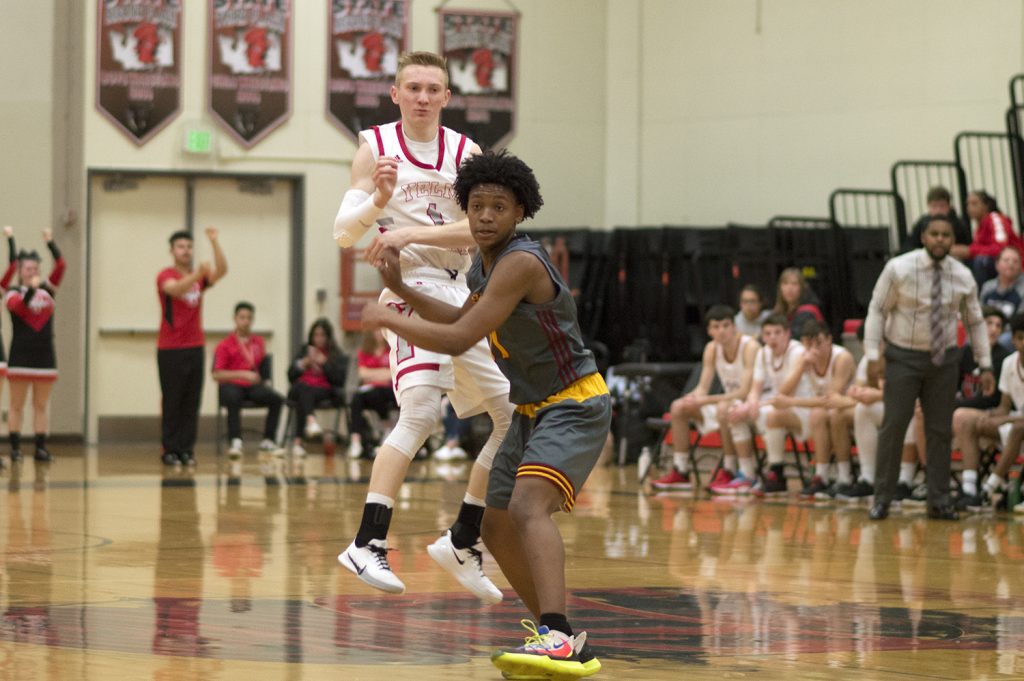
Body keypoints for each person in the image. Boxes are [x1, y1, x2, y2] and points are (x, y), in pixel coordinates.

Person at [361, 149, 605, 680]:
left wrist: (386, 316)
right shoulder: (487, 264)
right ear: (465, 211)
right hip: (532, 410)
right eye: (476, 207)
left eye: (498, 207)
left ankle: (560, 635)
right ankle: (553, 634)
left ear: (521, 211)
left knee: (525, 508)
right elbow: (459, 316)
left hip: (574, 404)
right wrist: (401, 290)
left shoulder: (520, 261)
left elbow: (458, 338)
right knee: (493, 524)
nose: (486, 216)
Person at [333, 51, 511, 604]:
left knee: (512, 414)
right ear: (395, 93)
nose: (423, 97)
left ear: (448, 97)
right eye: (413, 87)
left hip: (459, 290)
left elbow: (481, 229)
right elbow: (343, 232)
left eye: (434, 88)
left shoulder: (466, 152)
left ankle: (462, 538)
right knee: (422, 411)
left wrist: (409, 233)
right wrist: (379, 205)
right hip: (409, 288)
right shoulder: (376, 146)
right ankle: (366, 541)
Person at [864, 217, 994, 521]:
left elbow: (975, 322)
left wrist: (984, 363)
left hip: (944, 360)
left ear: (952, 240)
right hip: (902, 357)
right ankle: (882, 497)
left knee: (938, 431)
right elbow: (877, 309)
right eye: (934, 234)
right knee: (894, 426)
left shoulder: (963, 275)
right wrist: (872, 353)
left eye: (945, 235)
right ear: (923, 236)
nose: (939, 239)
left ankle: (938, 500)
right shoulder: (898, 268)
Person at [652, 305, 759, 494]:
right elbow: (702, 388)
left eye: (726, 326)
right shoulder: (711, 348)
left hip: (751, 403)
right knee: (678, 407)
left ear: (734, 327)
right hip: (726, 402)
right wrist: (691, 397)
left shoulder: (750, 346)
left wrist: (705, 400)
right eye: (716, 327)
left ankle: (729, 469)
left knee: (723, 408)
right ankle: (681, 470)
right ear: (709, 331)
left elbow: (744, 392)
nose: (722, 331)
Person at [157, 227, 228, 467]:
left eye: (189, 246)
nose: (185, 251)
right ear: (172, 251)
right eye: (181, 247)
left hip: (195, 346)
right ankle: (170, 449)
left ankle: (186, 450)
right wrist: (198, 273)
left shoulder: (197, 278)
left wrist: (215, 242)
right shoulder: (166, 275)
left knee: (191, 400)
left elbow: (222, 271)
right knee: (172, 400)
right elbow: (174, 290)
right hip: (170, 349)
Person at [770, 320, 855, 498]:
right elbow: (783, 393)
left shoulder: (842, 358)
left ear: (829, 340)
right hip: (823, 411)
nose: (814, 349)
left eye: (819, 343)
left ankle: (845, 476)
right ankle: (821, 476)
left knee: (826, 413)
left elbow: (831, 399)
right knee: (813, 415)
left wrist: (792, 402)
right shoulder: (805, 359)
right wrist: (801, 367)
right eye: (808, 345)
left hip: (850, 408)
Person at [4, 228, 64, 463]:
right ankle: (16, 449)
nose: (33, 273)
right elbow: (20, 308)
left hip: (45, 356)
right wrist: (30, 288)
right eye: (28, 269)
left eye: (36, 269)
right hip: (21, 356)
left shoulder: (47, 291)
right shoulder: (12, 293)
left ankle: (40, 448)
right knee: (16, 405)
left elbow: (60, 266)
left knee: (40, 405)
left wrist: (50, 242)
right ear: (19, 271)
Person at [728, 313, 804, 495]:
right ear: (762, 336)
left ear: (787, 333)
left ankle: (775, 471)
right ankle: (747, 472)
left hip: (800, 404)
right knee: (735, 411)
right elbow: (755, 387)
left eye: (777, 333)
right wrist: (751, 402)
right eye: (768, 334)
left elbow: (786, 394)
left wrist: (754, 406)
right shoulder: (763, 352)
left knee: (766, 414)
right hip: (778, 403)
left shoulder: (798, 352)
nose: (772, 338)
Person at [211, 302, 284, 459]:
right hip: (232, 385)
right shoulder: (224, 345)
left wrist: (265, 382)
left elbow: (262, 368)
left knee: (276, 399)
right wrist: (242, 375)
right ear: (235, 319)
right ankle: (235, 440)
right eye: (242, 317)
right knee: (233, 397)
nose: (246, 321)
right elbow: (217, 374)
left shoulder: (258, 342)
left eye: (249, 318)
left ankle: (268, 440)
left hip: (252, 386)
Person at [975, 314, 1024, 511]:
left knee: (1017, 428)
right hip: (1018, 423)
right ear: (1013, 340)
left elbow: (1008, 415)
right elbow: (1004, 406)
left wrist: (1004, 418)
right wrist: (990, 416)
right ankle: (971, 486)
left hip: (1019, 425)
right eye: (1020, 338)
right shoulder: (1008, 363)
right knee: (976, 423)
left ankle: (990, 486)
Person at [286, 318, 348, 457]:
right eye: (316, 335)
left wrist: (324, 362)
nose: (318, 338)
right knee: (303, 389)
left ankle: (298, 442)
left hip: (323, 390)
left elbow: (339, 380)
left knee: (304, 395)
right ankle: (311, 420)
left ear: (328, 337)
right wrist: (304, 363)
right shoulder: (304, 350)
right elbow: (290, 375)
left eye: (322, 335)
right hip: (301, 388)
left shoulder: (335, 354)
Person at [346, 329, 398, 459]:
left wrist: (373, 374)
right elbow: (362, 374)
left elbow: (393, 373)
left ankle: (386, 428)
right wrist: (383, 373)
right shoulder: (365, 351)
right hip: (369, 391)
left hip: (389, 391)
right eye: (377, 331)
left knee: (379, 393)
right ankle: (355, 441)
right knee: (356, 399)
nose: (379, 334)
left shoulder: (392, 351)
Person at [964, 190, 1020, 287]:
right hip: (998, 264)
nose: (969, 208)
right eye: (968, 204)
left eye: (974, 203)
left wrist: (970, 250)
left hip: (1014, 263)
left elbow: (1001, 249)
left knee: (980, 261)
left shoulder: (995, 218)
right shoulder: (979, 226)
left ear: (986, 206)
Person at [901, 185, 971, 255]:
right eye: (934, 206)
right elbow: (909, 246)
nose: (938, 210)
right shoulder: (922, 223)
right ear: (928, 206)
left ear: (949, 206)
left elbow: (966, 247)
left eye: (942, 206)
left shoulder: (959, 225)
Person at [979, 247, 1024, 339]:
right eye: (1006, 260)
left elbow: (1019, 322)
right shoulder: (988, 286)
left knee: (1004, 340)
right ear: (997, 264)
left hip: (1010, 334)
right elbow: (980, 314)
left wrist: (996, 332)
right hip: (986, 330)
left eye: (1015, 261)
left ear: (1020, 267)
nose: (1011, 264)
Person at [771, 267, 824, 337]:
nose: (789, 288)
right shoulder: (779, 311)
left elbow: (795, 336)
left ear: (802, 288)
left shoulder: (808, 311)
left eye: (794, 284)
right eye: (785, 283)